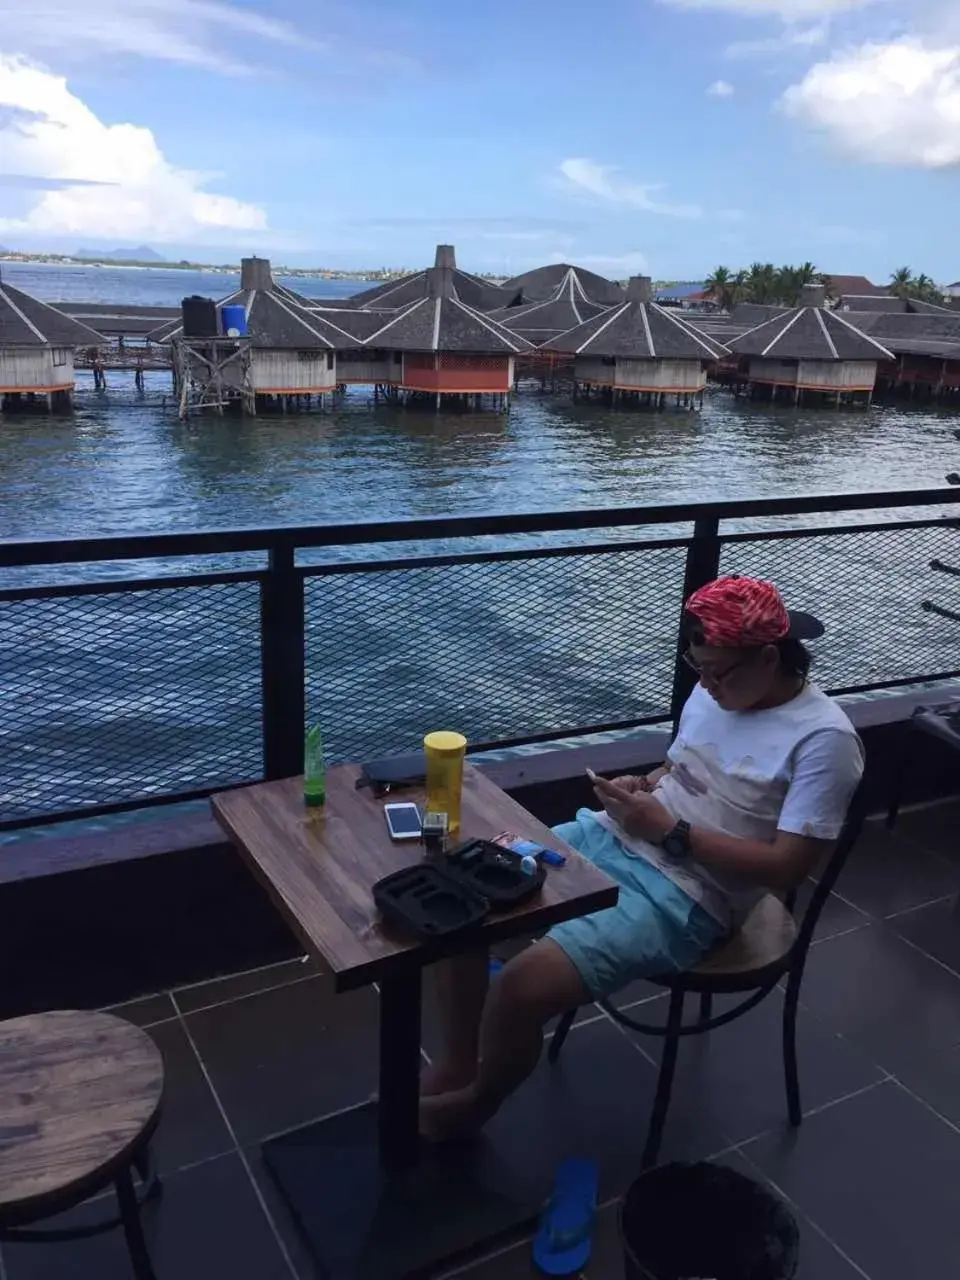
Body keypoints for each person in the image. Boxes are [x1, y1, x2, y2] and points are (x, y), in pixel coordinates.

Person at [420, 574, 865, 1140]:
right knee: (463, 896)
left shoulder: (825, 742)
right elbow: (683, 768)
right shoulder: (717, 691)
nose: (704, 683)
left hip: (690, 891)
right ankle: (460, 1063)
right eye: (695, 665)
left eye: (717, 671)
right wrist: (645, 785)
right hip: (623, 833)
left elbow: (788, 868)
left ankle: (477, 1103)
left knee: (522, 987)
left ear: (770, 657)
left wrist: (673, 832)